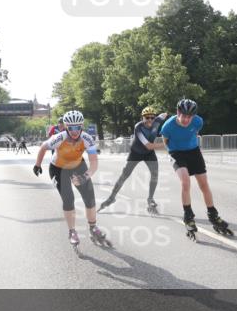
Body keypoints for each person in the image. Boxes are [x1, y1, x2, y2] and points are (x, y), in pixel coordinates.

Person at [33, 110, 109, 249]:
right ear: (66, 127)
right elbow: (43, 147)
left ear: (82, 126)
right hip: (58, 168)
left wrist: (84, 177)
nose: (75, 131)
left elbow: (94, 164)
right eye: (71, 127)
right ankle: (72, 231)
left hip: (78, 166)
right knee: (68, 198)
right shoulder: (59, 137)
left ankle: (93, 227)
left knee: (90, 197)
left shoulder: (87, 139)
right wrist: (37, 165)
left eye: (78, 127)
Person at [159, 98, 231, 240]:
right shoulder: (168, 126)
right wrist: (173, 153)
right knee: (185, 182)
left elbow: (194, 133)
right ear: (178, 112)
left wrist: (189, 144)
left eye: (190, 116)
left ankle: (213, 215)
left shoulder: (198, 121)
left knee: (204, 184)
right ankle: (188, 217)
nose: (187, 119)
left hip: (193, 151)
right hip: (176, 153)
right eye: (184, 116)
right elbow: (165, 141)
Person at [99, 106, 167, 214]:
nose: (149, 120)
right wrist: (167, 144)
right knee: (124, 175)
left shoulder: (157, 121)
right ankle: (111, 198)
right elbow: (149, 146)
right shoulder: (138, 127)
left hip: (149, 154)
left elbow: (165, 115)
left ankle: (150, 199)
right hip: (136, 153)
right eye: (147, 117)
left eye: (152, 117)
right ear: (142, 118)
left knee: (155, 174)